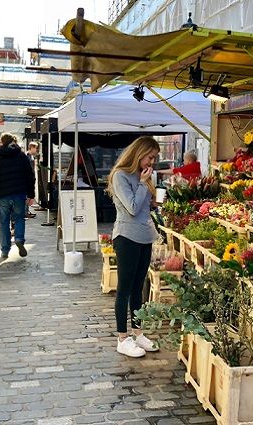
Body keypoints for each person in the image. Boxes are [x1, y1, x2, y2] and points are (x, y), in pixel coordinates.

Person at [106, 136, 161, 357]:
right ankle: (122, 338)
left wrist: (154, 201)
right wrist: (141, 183)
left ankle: (138, 333)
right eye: (150, 157)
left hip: (145, 235)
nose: (152, 162)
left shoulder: (142, 176)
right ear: (139, 153)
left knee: (139, 287)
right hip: (127, 236)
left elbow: (143, 206)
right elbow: (131, 207)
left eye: (154, 158)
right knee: (125, 289)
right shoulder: (121, 175)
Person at [0, 133, 35, 259]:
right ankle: (19, 239)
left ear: (2, 142)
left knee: (3, 223)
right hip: (19, 193)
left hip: (2, 195)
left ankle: (5, 250)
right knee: (19, 218)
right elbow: (29, 175)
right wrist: (31, 194)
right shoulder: (22, 156)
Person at [25, 141, 39, 218]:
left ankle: (27, 211)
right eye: (35, 148)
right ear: (32, 148)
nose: (36, 150)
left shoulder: (30, 156)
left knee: (28, 196)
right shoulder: (28, 156)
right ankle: (25, 211)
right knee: (27, 196)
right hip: (28, 179)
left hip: (30, 178)